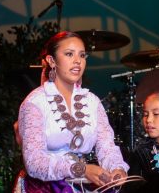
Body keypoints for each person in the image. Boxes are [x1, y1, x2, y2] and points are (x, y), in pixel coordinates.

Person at [15, 31, 129, 191]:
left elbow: (107, 147)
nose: (77, 61)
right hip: (43, 188)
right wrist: (81, 169)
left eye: (82, 55)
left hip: (79, 185)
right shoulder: (35, 103)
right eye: (69, 54)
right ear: (51, 60)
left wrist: (117, 169)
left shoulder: (92, 101)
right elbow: (34, 163)